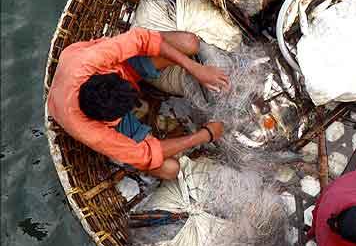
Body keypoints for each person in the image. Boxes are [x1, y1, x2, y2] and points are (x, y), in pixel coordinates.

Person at [47, 27, 229, 179]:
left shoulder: (91, 61)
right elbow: (146, 155)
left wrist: (195, 68)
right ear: (108, 122)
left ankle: (147, 73)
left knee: (190, 43)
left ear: (105, 74)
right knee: (170, 169)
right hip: (82, 108)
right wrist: (205, 135)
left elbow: (142, 38)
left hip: (114, 67)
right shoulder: (91, 131)